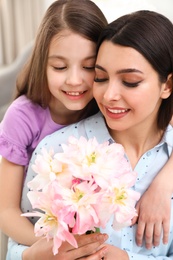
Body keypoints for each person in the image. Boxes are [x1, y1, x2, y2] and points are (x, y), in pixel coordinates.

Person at [12, 9, 173, 259]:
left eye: (130, 81)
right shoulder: (55, 152)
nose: (108, 96)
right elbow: (14, 248)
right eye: (100, 77)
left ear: (167, 85)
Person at [0, 0, 108, 257]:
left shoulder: (108, 105)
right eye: (60, 67)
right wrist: (52, 246)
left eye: (89, 66)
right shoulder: (23, 116)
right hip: (38, 234)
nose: (74, 80)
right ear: (42, 65)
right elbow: (6, 210)